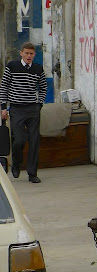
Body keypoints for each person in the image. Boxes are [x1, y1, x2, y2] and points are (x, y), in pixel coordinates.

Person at [0, 42, 47, 183]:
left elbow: (43, 87)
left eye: (31, 53)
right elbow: (4, 86)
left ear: (34, 55)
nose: (28, 56)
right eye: (26, 53)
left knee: (34, 142)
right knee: (19, 139)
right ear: (21, 53)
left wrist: (40, 104)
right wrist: (3, 107)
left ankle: (32, 174)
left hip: (33, 109)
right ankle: (16, 163)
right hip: (16, 109)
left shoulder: (38, 69)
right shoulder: (12, 67)